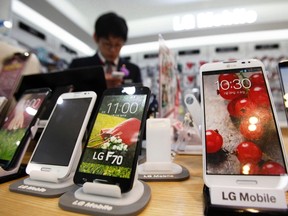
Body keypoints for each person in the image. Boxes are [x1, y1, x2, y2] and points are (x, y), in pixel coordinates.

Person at [69, 12, 142, 88]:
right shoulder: (78, 66)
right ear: (96, 38)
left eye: (118, 45)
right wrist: (101, 85)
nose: (113, 50)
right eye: (107, 44)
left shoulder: (133, 70)